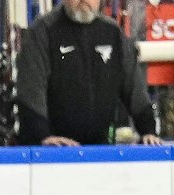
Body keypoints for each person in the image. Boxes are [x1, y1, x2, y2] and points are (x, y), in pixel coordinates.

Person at [15, 0, 163, 147]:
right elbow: (30, 92)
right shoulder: (43, 32)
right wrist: (43, 136)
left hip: (101, 152)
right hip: (53, 153)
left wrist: (148, 131)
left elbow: (134, 88)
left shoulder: (112, 33)